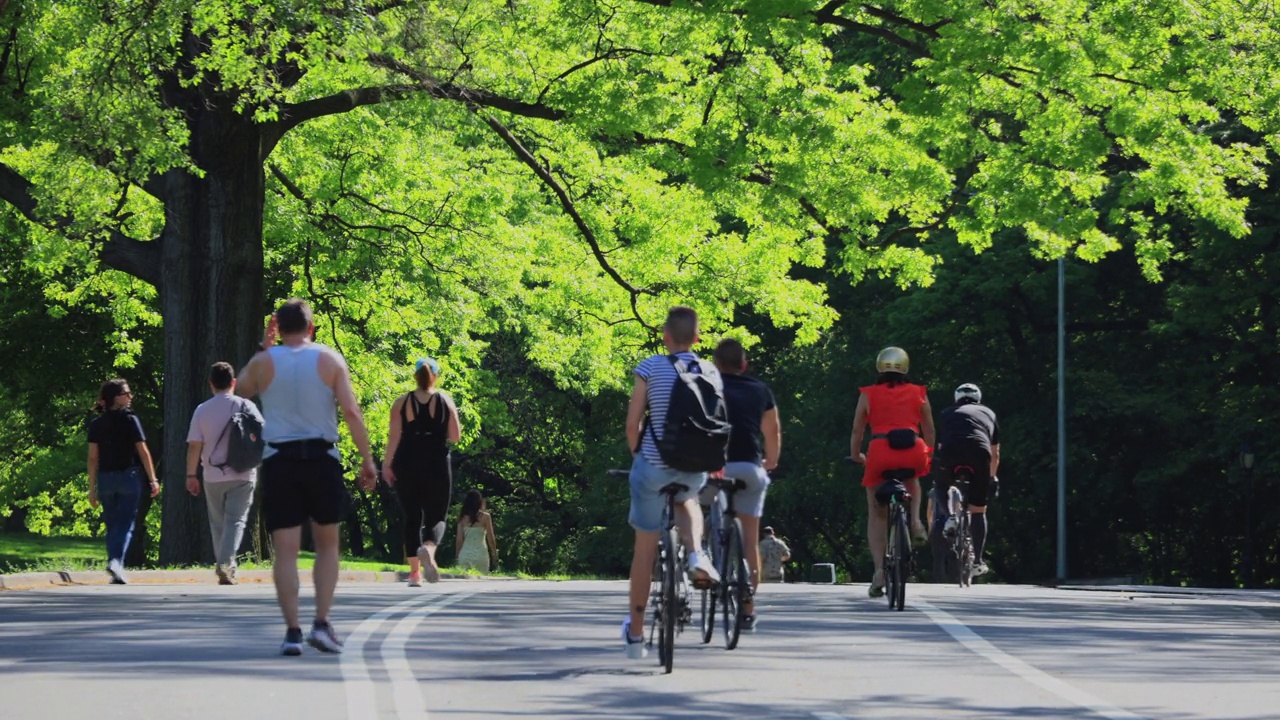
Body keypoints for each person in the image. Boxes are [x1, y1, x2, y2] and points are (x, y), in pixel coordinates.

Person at [236, 299, 378, 656]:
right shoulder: (329, 359)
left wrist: (262, 348)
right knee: (327, 544)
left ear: (278, 328)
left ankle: (292, 632)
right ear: (311, 327)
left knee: (285, 551)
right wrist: (367, 460)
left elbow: (240, 391)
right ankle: (321, 622)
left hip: (280, 460)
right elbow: (350, 410)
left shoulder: (264, 362)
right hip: (321, 457)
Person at [621, 305, 720, 660]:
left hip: (653, 466)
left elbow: (633, 424)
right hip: (694, 468)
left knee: (644, 550)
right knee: (689, 499)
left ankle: (635, 635)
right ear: (696, 338)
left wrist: (637, 455)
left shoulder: (650, 367)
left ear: (665, 335)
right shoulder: (710, 370)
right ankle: (697, 555)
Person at [850, 346, 935, 598]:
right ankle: (917, 522)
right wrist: (928, 452)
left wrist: (857, 456)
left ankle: (878, 571)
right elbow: (929, 429)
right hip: (913, 448)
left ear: (879, 367)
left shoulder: (868, 394)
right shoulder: (919, 392)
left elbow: (857, 431)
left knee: (876, 512)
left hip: (880, 451)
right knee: (913, 478)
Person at [711, 338, 781, 630]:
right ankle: (748, 609)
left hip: (716, 467)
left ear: (715, 364)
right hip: (750, 467)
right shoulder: (760, 389)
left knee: (701, 512)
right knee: (750, 540)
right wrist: (771, 461)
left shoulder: (706, 386)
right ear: (744, 364)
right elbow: (772, 430)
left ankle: (708, 563)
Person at [383, 357, 461, 586]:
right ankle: (428, 548)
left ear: (415, 376)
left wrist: (387, 465)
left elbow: (394, 437)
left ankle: (415, 575)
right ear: (435, 376)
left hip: (406, 461)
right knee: (437, 516)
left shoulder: (401, 402)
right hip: (436, 461)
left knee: (412, 517)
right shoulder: (445, 401)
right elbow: (455, 437)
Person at [185, 362, 264, 585]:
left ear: (211, 384)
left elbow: (194, 445)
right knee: (235, 521)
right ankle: (225, 564)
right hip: (243, 472)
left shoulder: (202, 410)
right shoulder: (246, 406)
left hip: (212, 474)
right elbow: (264, 434)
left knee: (218, 523)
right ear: (233, 382)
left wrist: (191, 475)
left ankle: (226, 565)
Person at [86, 378, 161, 585]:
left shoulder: (96, 424)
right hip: (128, 478)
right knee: (126, 524)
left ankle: (115, 563)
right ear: (115, 398)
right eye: (126, 394)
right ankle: (116, 562)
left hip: (106, 479)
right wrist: (153, 479)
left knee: (112, 525)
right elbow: (143, 452)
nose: (130, 397)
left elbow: (93, 459)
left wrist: (92, 489)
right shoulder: (130, 420)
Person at [935, 382, 1000, 577]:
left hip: (951, 452)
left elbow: (939, 446)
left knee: (940, 484)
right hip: (979, 454)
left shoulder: (946, 413)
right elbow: (995, 453)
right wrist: (992, 477)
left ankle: (950, 517)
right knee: (978, 511)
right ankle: (978, 561)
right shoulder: (989, 414)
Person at [455, 490, 498, 573]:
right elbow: (491, 538)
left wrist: (457, 556)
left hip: (465, 555)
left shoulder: (462, 518)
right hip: (481, 555)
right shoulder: (486, 517)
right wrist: (494, 554)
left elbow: (459, 541)